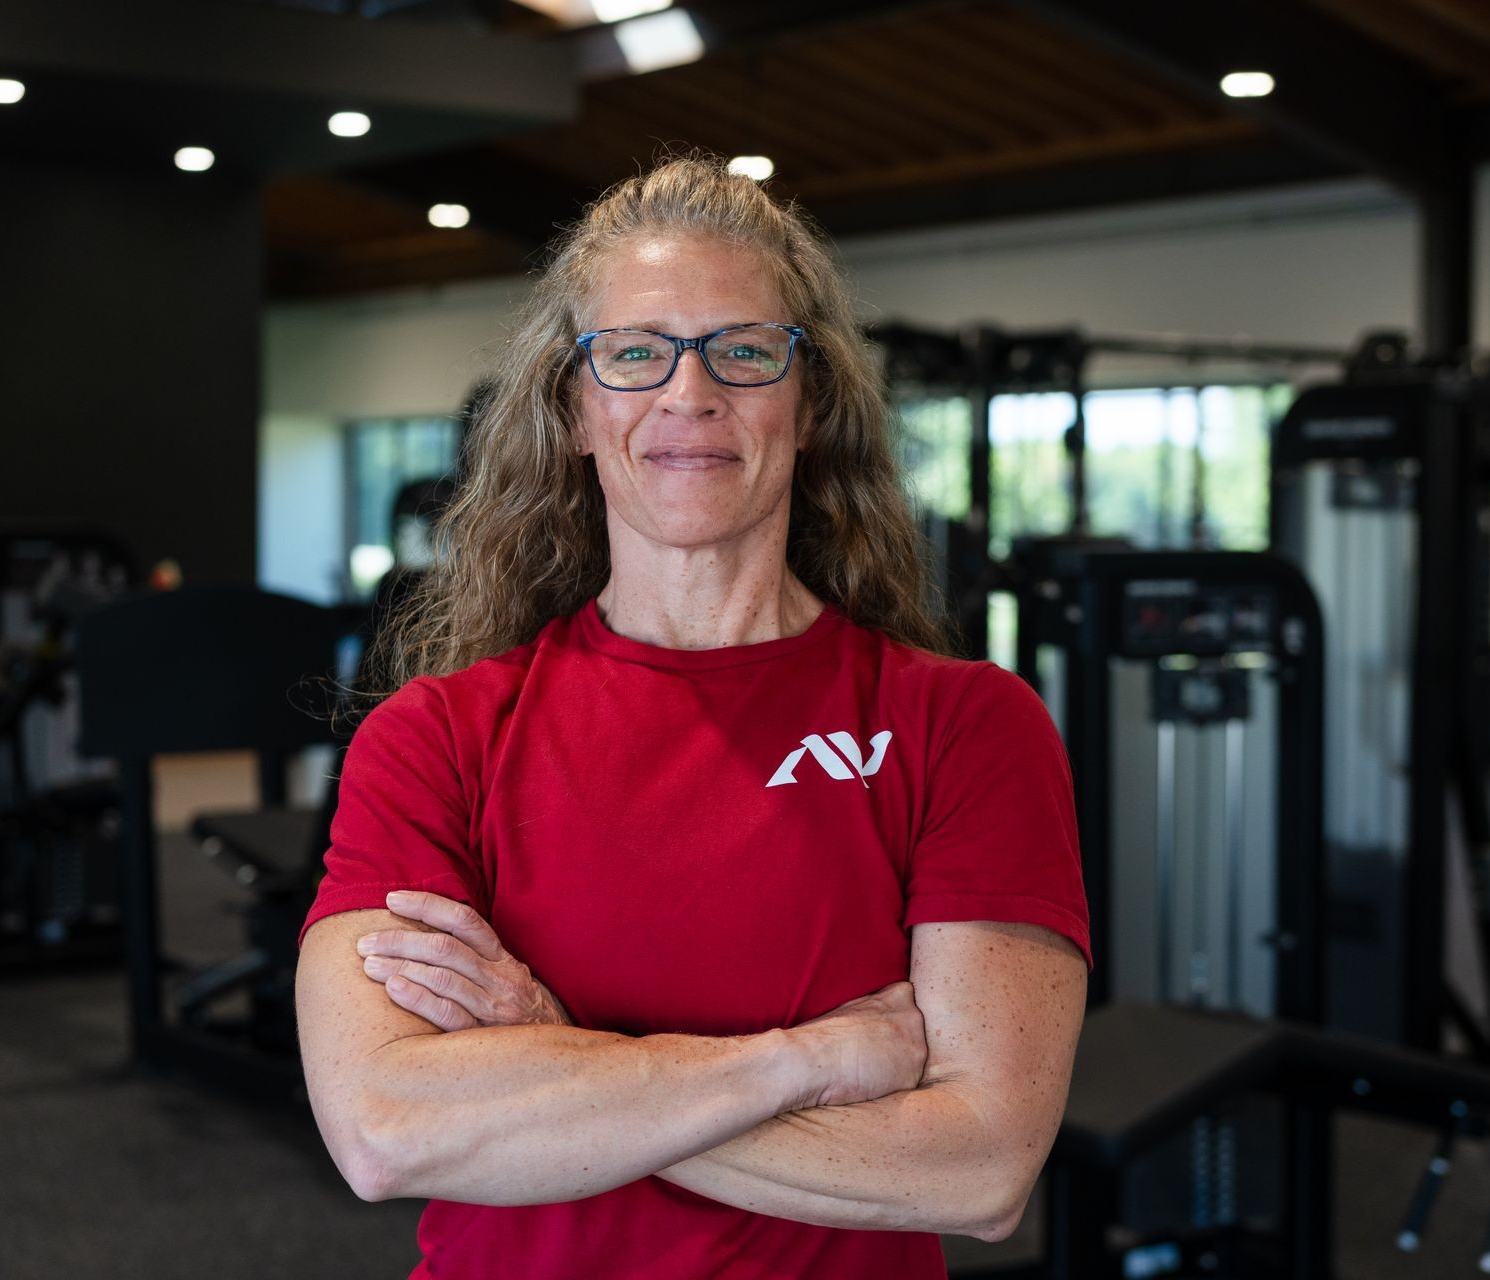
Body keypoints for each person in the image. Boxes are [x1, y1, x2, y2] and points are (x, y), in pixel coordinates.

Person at [294, 155, 1089, 1280]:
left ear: (808, 402)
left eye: (744, 350)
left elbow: (976, 1168)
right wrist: (808, 1059)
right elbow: (385, 1128)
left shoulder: (963, 725)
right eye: (634, 352)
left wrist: (551, 1056)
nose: (689, 394)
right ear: (574, 408)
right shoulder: (436, 737)